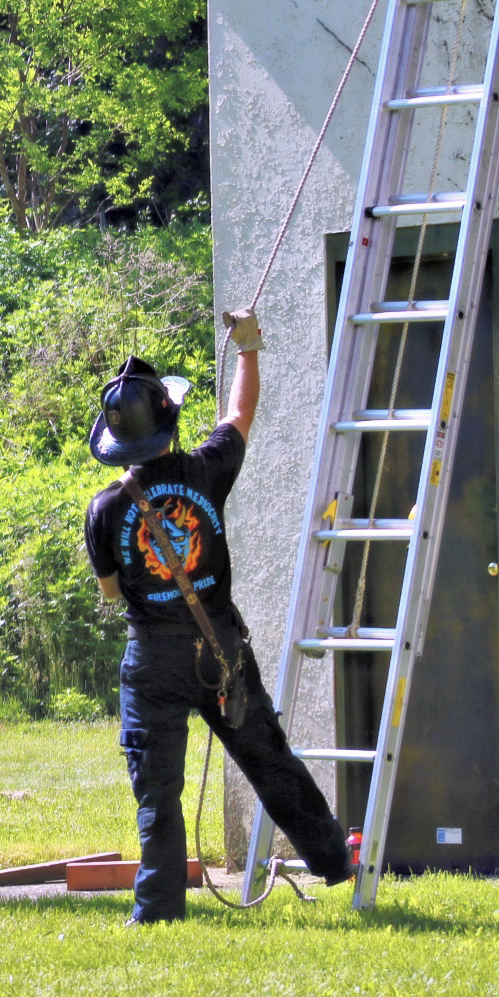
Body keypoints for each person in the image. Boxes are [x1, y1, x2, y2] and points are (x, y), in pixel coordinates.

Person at [83, 311, 353, 924]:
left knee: (158, 791)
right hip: (221, 650)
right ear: (171, 424)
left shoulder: (103, 509)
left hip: (151, 657)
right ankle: (335, 861)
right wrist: (248, 348)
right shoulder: (207, 469)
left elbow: (110, 594)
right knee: (269, 760)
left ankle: (157, 911)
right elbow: (238, 414)